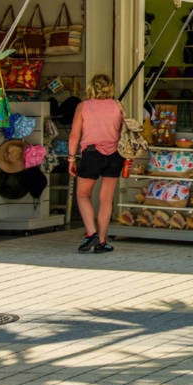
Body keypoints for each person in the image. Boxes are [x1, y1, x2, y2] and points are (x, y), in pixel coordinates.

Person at [68, 74, 124, 253]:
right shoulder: (118, 106)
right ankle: (101, 241)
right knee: (106, 199)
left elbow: (75, 135)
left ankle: (91, 233)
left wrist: (71, 158)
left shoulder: (83, 106)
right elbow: (124, 134)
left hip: (91, 154)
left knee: (83, 195)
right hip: (115, 155)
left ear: (91, 87)